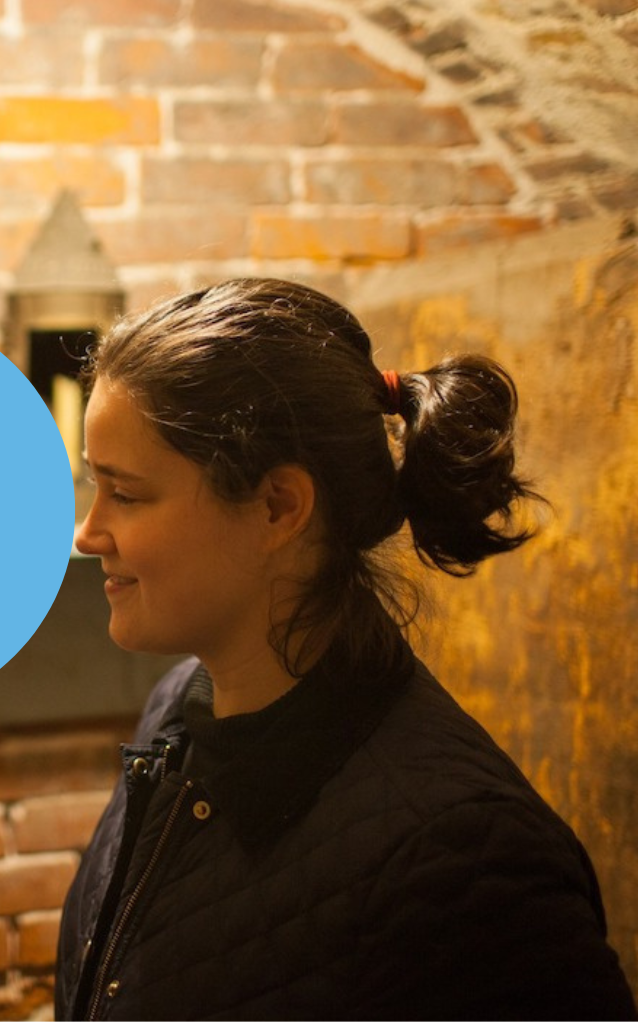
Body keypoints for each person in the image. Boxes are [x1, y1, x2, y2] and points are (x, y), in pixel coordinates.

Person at [55, 278, 636, 1020]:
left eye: (126, 494)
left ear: (277, 507)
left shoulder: (465, 861)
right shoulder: (179, 707)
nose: (88, 531)